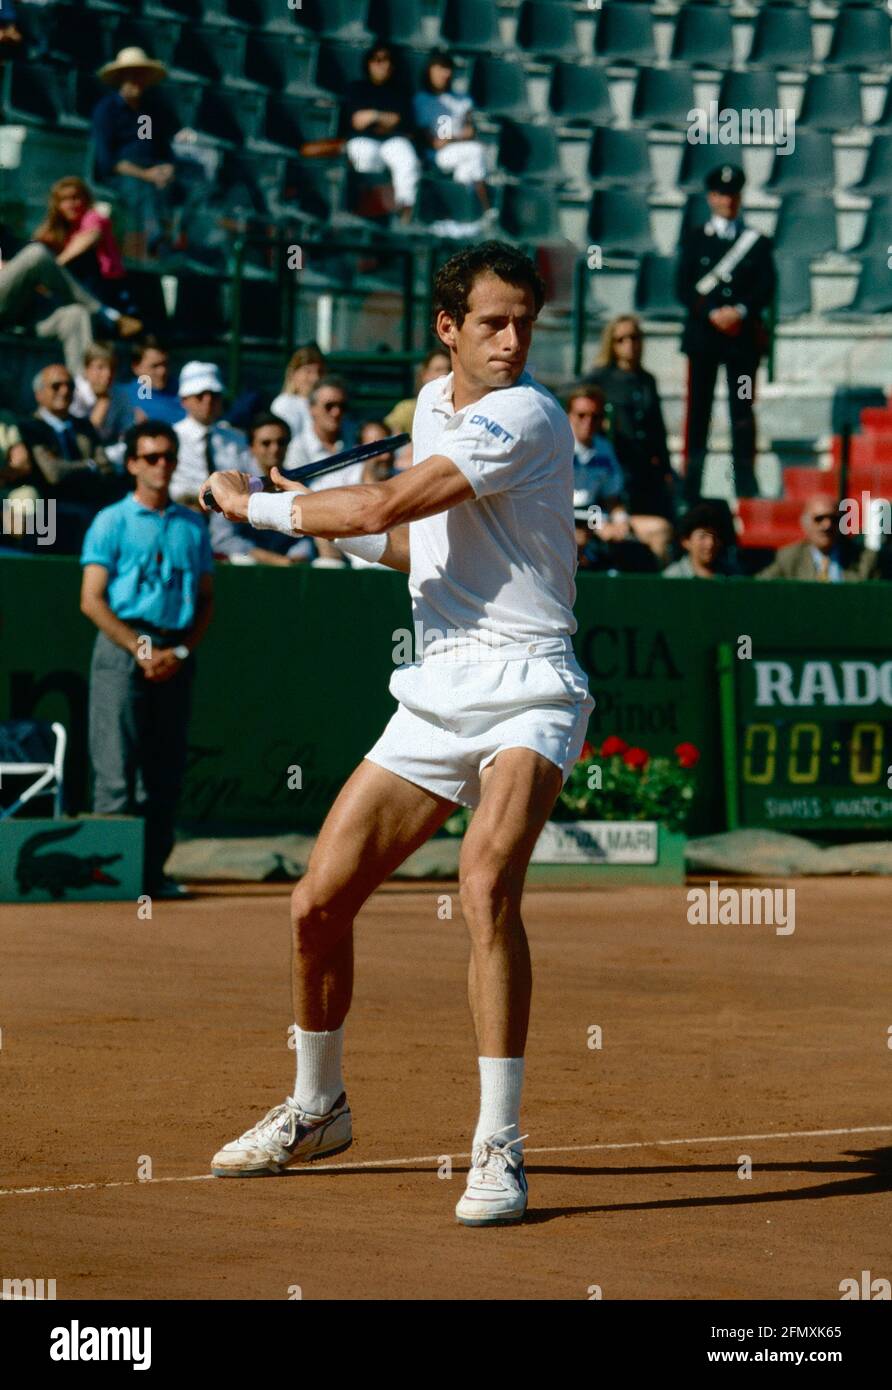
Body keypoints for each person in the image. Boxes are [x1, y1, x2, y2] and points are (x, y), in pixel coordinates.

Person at [202, 241, 594, 1227]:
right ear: (448, 328)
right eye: (493, 323)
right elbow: (412, 538)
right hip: (440, 683)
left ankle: (497, 1146)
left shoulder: (529, 414)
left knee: (484, 883)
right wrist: (325, 522)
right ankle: (316, 1105)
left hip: (531, 684)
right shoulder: (430, 405)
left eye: (525, 325)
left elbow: (380, 497)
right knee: (314, 904)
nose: (513, 342)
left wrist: (254, 504)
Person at [80, 421, 214, 898]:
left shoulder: (192, 526)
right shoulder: (110, 521)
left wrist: (177, 651)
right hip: (122, 650)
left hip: (175, 652)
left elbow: (205, 601)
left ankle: (153, 876)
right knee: (116, 768)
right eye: (151, 457)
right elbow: (92, 599)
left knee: (164, 770)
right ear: (133, 463)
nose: (162, 466)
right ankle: (111, 879)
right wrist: (141, 650)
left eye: (168, 457)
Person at [676, 163, 776, 504]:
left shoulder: (757, 242)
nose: (728, 200)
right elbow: (683, 287)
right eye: (721, 193)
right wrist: (711, 313)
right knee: (698, 412)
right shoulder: (694, 238)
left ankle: (745, 483)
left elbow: (766, 285)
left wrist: (741, 311)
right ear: (711, 197)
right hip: (704, 340)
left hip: (741, 344)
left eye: (733, 194)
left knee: (743, 409)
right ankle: (691, 485)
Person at [584, 314, 676, 539]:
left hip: (646, 467)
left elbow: (658, 427)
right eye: (621, 339)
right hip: (615, 463)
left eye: (634, 338)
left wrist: (665, 468)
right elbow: (575, 400)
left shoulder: (647, 380)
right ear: (611, 344)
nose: (629, 345)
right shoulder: (600, 377)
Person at [0, 240, 140, 376]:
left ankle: (83, 391)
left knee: (76, 315)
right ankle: (105, 314)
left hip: (21, 311)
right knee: (36, 254)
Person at [91, 47, 179, 258]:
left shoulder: (144, 114)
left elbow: (148, 144)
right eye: (132, 76)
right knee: (145, 191)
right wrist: (145, 175)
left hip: (147, 171)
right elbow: (107, 160)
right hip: (121, 177)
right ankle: (157, 242)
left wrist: (165, 168)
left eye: (141, 76)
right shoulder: (106, 111)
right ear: (121, 78)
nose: (137, 81)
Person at [211, 412, 314, 566]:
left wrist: (297, 555)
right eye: (266, 443)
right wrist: (270, 559)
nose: (275, 449)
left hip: (288, 569)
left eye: (281, 442)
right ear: (251, 447)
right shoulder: (237, 483)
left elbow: (308, 535)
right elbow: (221, 538)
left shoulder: (296, 483)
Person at [32, 176, 139, 320]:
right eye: (64, 199)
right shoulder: (61, 227)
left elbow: (88, 239)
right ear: (57, 204)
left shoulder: (93, 217)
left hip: (105, 283)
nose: (71, 204)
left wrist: (54, 267)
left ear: (86, 199)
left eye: (76, 198)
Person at [341, 41, 421, 223]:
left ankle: (405, 211)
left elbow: (399, 122)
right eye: (378, 60)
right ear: (369, 63)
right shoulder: (357, 88)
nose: (384, 65)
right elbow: (358, 121)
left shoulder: (400, 90)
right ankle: (371, 210)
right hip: (363, 139)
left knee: (406, 159)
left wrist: (373, 115)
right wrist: (383, 117)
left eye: (388, 60)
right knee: (364, 155)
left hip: (393, 140)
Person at [413, 50, 490, 215]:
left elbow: (469, 130)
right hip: (435, 156)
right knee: (475, 151)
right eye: (440, 68)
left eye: (448, 68)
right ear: (430, 70)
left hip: (458, 152)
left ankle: (459, 212)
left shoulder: (463, 100)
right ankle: (482, 208)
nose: (445, 74)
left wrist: (461, 136)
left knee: (467, 166)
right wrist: (461, 137)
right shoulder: (422, 100)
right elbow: (439, 142)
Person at [171, 361, 255, 507]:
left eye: (214, 395)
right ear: (184, 400)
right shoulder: (172, 438)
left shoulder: (236, 438)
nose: (208, 401)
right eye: (200, 395)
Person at [756, 494, 879, 582]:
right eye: (819, 519)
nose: (827, 525)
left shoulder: (864, 560)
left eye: (833, 519)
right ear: (805, 523)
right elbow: (756, 588)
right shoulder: (790, 558)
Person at [115, 336, 185, 428]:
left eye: (165, 364)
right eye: (155, 366)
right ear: (136, 367)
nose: (162, 371)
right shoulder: (121, 398)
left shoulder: (185, 388)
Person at [70, 343, 131, 443]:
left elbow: (126, 429)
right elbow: (82, 437)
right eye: (100, 367)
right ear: (87, 369)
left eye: (112, 367)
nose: (108, 374)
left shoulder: (119, 393)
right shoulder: (72, 393)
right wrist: (102, 403)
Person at [384, 347, 450, 437]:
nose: (444, 375)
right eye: (438, 370)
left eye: (449, 369)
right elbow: (386, 429)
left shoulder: (459, 408)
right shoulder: (408, 409)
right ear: (425, 375)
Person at [270, 345, 325, 444]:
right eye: (308, 371)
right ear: (293, 373)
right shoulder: (284, 404)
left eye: (320, 372)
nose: (315, 378)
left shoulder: (329, 406)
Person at [663, 502, 729, 578]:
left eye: (715, 536)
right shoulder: (672, 577)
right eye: (703, 536)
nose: (710, 543)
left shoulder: (731, 575)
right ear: (686, 542)